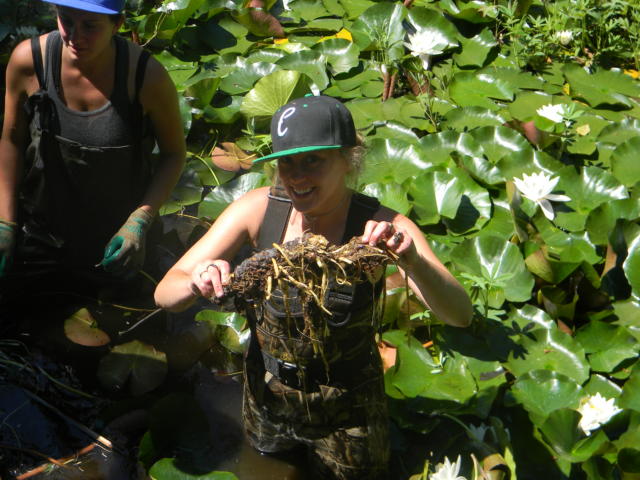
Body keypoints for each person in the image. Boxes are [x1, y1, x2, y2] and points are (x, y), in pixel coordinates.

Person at [154, 95, 472, 479]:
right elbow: (165, 294)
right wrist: (198, 278)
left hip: (349, 406)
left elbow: (459, 316)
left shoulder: (382, 227)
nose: (297, 177)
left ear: (347, 158)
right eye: (287, 161)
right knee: (266, 467)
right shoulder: (257, 210)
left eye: (313, 160)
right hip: (267, 391)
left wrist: (413, 262)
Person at [0, 0, 185, 312]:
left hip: (114, 239)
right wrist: (5, 222)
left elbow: (173, 155)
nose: (75, 35)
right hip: (41, 230)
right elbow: (10, 140)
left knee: (118, 326)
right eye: (66, 20)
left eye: (90, 26)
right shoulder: (29, 60)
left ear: (118, 24)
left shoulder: (145, 77)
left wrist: (139, 221)